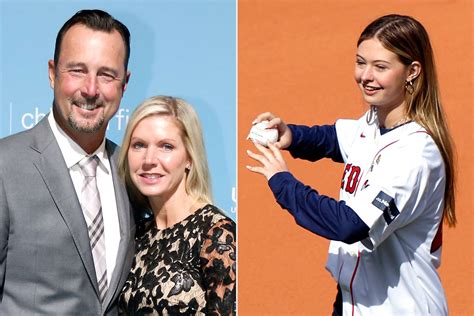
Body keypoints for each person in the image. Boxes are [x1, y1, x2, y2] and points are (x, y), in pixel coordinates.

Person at [247, 14, 455, 316]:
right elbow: (333, 138)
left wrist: (282, 182)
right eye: (361, 62)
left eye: (380, 67)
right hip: (353, 301)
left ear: (412, 71)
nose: (365, 76)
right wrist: (291, 135)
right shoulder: (374, 121)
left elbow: (349, 225)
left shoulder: (415, 155)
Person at [0, 10, 135, 315]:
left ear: (124, 84)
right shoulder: (4, 167)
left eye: (106, 75)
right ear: (52, 73)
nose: (90, 89)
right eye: (77, 70)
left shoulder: (132, 173)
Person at [117, 96, 236, 315]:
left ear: (190, 157)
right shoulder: (136, 234)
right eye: (139, 145)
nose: (149, 159)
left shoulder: (216, 234)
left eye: (166, 146)